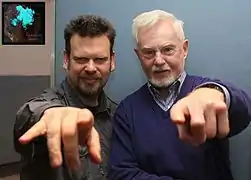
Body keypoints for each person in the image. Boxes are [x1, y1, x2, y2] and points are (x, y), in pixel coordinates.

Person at [108, 10, 251, 180]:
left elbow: (244, 111)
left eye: (168, 50)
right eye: (149, 53)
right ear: (138, 56)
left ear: (184, 49)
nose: (159, 61)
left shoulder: (206, 91)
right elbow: (121, 174)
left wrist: (216, 92)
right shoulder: (127, 110)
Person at [13, 14, 117, 180]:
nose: (91, 68)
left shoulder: (117, 115)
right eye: (81, 59)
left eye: (99, 59)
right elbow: (30, 112)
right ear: (66, 60)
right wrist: (52, 114)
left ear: (111, 61)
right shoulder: (49, 103)